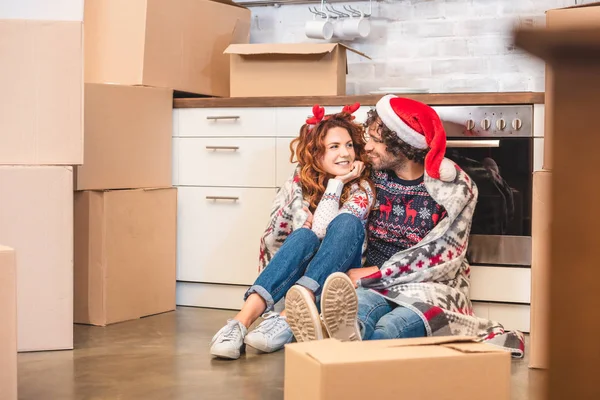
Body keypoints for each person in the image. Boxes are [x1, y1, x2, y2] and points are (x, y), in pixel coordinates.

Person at [287, 96, 525, 357]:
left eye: (377, 141)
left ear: (403, 144)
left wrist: (377, 272)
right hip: (371, 286)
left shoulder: (454, 187)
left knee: (392, 327)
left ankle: (335, 347)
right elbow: (314, 171)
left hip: (428, 287)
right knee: (358, 316)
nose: (367, 146)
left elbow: (442, 253)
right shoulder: (370, 176)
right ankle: (342, 341)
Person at [210, 104, 376, 359]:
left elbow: (322, 227)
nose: (345, 153)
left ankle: (290, 316)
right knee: (304, 236)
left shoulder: (361, 187)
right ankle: (239, 323)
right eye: (334, 147)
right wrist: (310, 228)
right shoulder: (298, 183)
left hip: (338, 279)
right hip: (303, 274)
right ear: (316, 153)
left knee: (346, 223)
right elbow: (278, 235)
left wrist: (336, 183)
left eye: (349, 145)